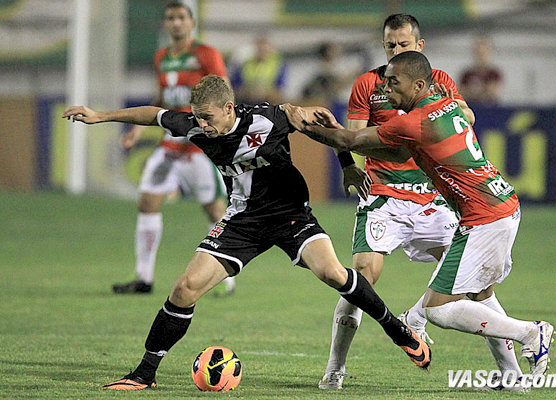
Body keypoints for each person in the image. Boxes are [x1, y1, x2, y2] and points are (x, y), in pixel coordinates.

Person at [62, 74, 432, 391]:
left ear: (228, 108)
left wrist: (347, 165)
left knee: (334, 273)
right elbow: (154, 115)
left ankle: (399, 332)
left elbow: (326, 129)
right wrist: (102, 116)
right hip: (242, 221)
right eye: (197, 118)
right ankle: (144, 374)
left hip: (291, 216)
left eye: (207, 118)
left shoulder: (268, 119)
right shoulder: (194, 124)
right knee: (184, 288)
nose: (202, 125)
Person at [286, 51, 555, 388]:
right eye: (385, 78)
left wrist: (305, 125)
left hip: (482, 217)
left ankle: (529, 331)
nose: (386, 86)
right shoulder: (444, 103)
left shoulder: (412, 120)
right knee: (471, 294)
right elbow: (399, 151)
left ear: (417, 82)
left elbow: (350, 140)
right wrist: (343, 138)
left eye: (394, 82)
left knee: (440, 310)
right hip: (496, 207)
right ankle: (512, 376)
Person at [318, 14, 477, 390]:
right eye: (390, 45)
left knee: (471, 279)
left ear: (419, 46)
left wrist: (440, 117)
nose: (395, 50)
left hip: (430, 196)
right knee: (360, 281)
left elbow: (466, 115)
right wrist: (347, 166)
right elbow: (351, 136)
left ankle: (508, 369)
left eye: (403, 44)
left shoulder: (439, 83)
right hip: (383, 196)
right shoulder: (369, 84)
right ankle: (335, 370)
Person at [112, 2, 234, 296]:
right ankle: (144, 277)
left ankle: (226, 277)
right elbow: (161, 99)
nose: (176, 23)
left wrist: (222, 133)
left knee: (216, 211)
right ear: (165, 25)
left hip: (199, 149)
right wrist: (137, 129)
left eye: (181, 17)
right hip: (168, 147)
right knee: (146, 203)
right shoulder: (162, 57)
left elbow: (223, 92)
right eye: (171, 18)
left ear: (191, 23)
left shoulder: (206, 54)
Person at [230, 36, 287, 105]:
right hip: (247, 103)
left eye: (264, 48)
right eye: (259, 48)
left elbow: (280, 91)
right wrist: (249, 93)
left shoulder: (278, 65)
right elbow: (235, 89)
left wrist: (264, 93)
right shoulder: (246, 64)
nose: (262, 51)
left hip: (270, 104)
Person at [459, 37, 503, 105]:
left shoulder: (494, 74)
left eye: (483, 52)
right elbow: (461, 92)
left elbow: (492, 92)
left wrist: (473, 91)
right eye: (478, 51)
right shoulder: (467, 74)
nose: (480, 55)